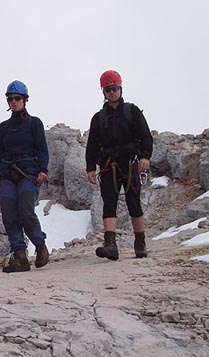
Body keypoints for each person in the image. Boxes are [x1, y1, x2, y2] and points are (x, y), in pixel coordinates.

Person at [86, 70, 153, 260]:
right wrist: (90, 167)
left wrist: (145, 157)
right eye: (108, 90)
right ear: (104, 92)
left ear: (120, 88)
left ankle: (140, 243)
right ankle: (110, 245)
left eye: (114, 88)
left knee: (133, 202)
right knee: (109, 202)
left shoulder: (132, 111)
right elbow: (92, 145)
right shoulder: (98, 118)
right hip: (109, 165)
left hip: (131, 163)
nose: (112, 92)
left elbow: (146, 136)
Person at [0, 80, 49, 273]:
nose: (13, 102)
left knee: (25, 210)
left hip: (28, 173)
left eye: (17, 98)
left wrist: (43, 170)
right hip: (7, 174)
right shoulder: (4, 127)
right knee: (9, 213)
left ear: (25, 100)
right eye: (10, 99)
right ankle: (20, 256)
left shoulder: (34, 123)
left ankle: (40, 246)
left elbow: (42, 149)